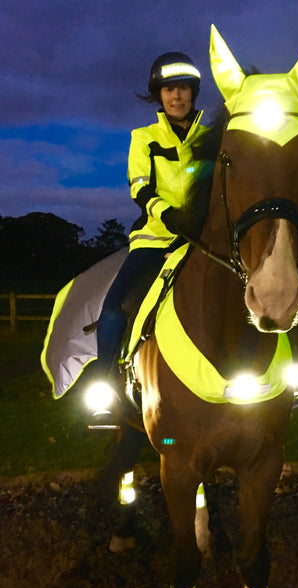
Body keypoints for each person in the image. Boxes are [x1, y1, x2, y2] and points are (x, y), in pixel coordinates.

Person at [90, 52, 209, 425]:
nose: (177, 96)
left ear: (193, 93)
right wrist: (169, 215)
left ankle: (284, 383)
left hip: (202, 241)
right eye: (169, 89)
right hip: (156, 238)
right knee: (114, 306)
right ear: (159, 95)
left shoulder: (211, 138)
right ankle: (105, 388)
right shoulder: (142, 138)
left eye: (184, 89)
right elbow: (139, 187)